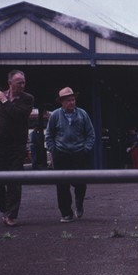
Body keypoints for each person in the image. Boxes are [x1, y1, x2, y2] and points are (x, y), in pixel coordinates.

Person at [0, 69, 35, 226]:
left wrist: (5, 101)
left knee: (15, 180)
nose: (22, 85)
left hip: (16, 144)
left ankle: (11, 215)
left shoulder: (27, 99)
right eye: (19, 83)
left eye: (24, 82)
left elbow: (17, 115)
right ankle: (5, 209)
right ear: (10, 83)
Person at [45, 87, 95, 223]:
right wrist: (54, 150)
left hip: (79, 153)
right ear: (61, 102)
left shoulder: (83, 114)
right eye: (68, 100)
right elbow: (49, 135)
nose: (71, 102)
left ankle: (79, 204)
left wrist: (86, 149)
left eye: (73, 100)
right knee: (62, 185)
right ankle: (66, 213)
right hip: (61, 154)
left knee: (81, 183)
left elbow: (91, 134)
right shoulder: (55, 115)